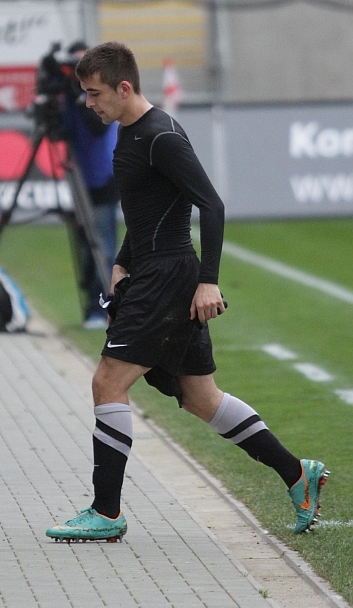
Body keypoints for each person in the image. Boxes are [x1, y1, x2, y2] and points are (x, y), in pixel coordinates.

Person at [46, 41, 328, 541]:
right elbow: (147, 211)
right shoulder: (129, 131)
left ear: (124, 88)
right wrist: (121, 262)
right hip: (152, 273)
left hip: (167, 278)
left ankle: (106, 513)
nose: (89, 104)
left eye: (94, 94)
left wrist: (208, 280)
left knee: (108, 383)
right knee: (201, 397)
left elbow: (211, 206)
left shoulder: (161, 136)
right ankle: (296, 473)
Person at [62, 40, 119, 330]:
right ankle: (92, 306)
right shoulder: (69, 96)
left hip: (104, 179)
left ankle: (105, 308)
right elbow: (60, 130)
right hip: (80, 180)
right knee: (85, 248)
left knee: (104, 248)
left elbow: (98, 127)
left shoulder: (102, 94)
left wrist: (78, 95)